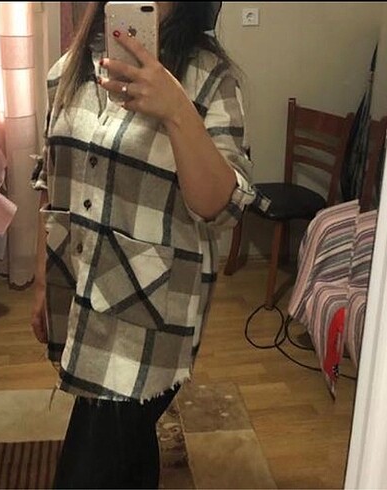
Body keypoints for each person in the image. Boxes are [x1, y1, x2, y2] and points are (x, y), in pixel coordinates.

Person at [30, 2, 268, 488]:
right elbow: (50, 180)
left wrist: (177, 110)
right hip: (76, 293)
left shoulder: (210, 79)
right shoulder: (70, 70)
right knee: (127, 446)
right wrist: (40, 283)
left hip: (152, 314)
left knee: (89, 466)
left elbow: (219, 207)